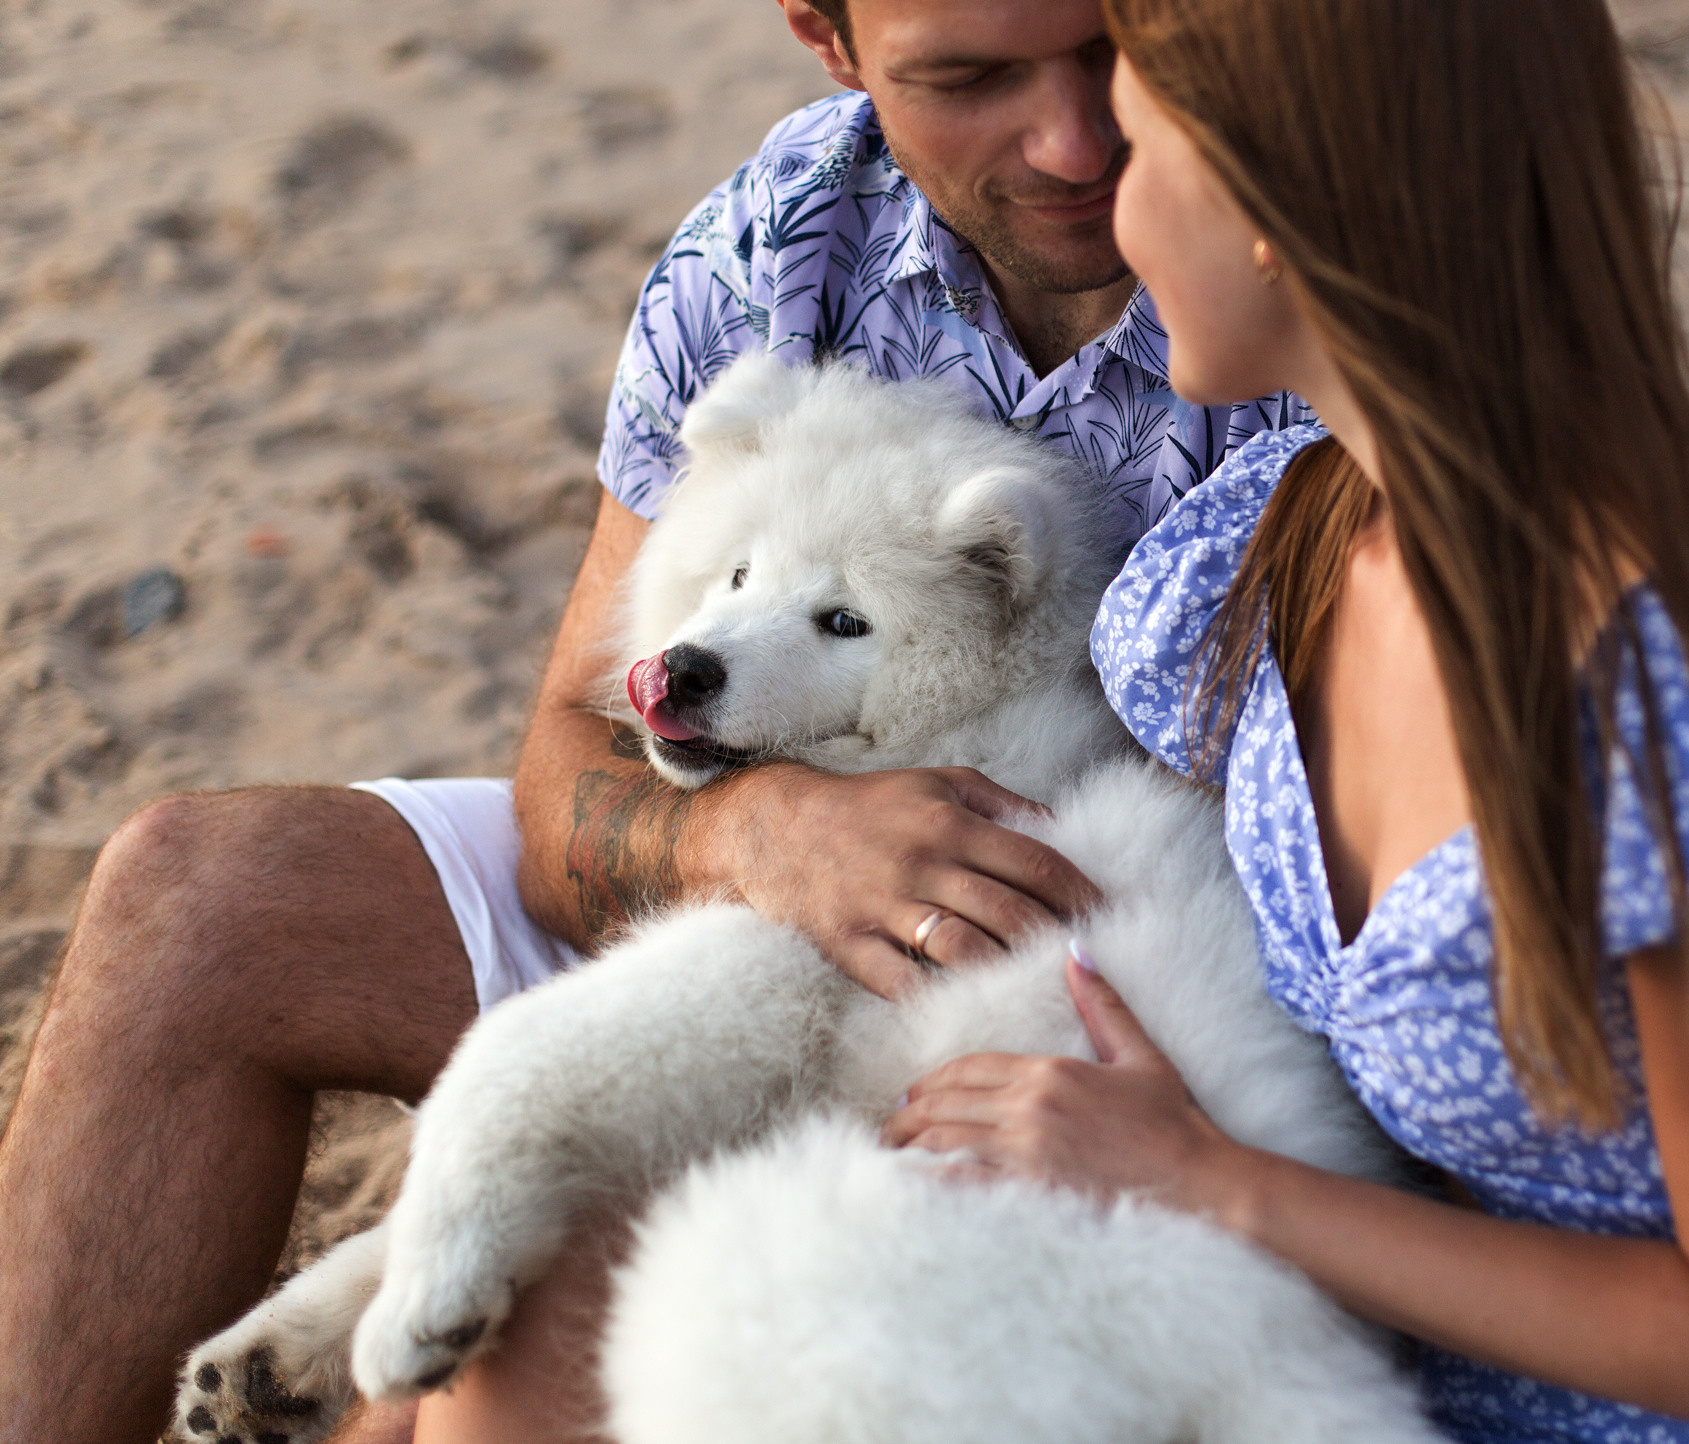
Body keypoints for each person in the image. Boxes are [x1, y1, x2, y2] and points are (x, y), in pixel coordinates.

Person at [0, 1, 1310, 1441]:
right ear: (829, 39)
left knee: (532, 1315)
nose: (1073, 140)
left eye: (1110, 45)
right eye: (969, 78)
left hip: (1102, 1024)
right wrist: (762, 831)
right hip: (742, 902)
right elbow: (574, 759)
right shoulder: (784, 237)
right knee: (195, 900)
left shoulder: (1306, 249)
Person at [886, 0, 1689, 1439]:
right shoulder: (1284, 545)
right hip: (1328, 1375)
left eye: (1140, 146)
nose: (1112, 208)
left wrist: (1213, 1181)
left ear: (1272, 201)